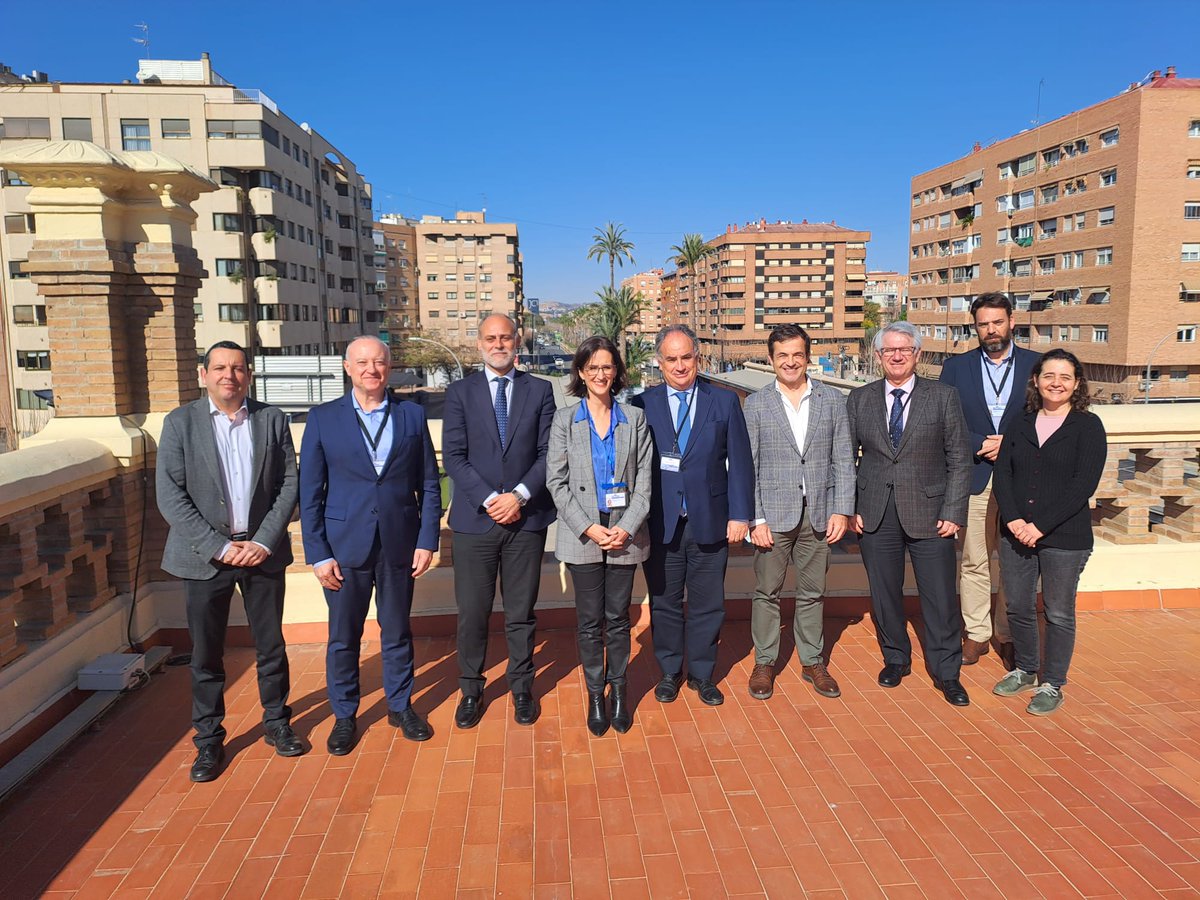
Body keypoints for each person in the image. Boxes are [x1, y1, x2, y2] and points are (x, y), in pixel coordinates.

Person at [156, 341, 302, 782]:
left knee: (271, 646)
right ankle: (208, 741)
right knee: (206, 653)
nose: (229, 376)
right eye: (219, 368)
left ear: (249, 375)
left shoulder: (271, 419)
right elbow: (171, 496)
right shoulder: (180, 424)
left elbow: (288, 484)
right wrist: (219, 546)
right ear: (204, 375)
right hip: (205, 557)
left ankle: (277, 723)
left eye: (237, 368)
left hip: (261, 553)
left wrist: (262, 541)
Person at [299, 336, 441, 754]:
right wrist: (319, 553)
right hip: (344, 549)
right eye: (362, 362)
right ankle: (345, 714)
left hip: (399, 543)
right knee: (344, 637)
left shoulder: (412, 416)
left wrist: (426, 539)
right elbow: (310, 494)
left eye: (379, 362)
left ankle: (400, 705)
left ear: (389, 367)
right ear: (348, 368)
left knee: (397, 631)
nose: (371, 370)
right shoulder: (324, 418)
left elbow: (430, 485)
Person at [847, 322, 973, 706]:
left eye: (905, 349)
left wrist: (953, 510)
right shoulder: (860, 399)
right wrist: (852, 507)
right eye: (889, 350)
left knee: (939, 597)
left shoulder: (943, 397)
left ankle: (947, 672)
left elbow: (959, 458)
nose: (897, 356)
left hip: (932, 513)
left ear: (918, 354)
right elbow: (844, 458)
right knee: (884, 594)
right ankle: (895, 659)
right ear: (879, 356)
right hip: (876, 513)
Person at [442, 314, 557, 728]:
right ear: (479, 344)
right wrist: (493, 500)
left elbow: (548, 452)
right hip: (476, 522)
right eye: (490, 338)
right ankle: (471, 689)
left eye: (505, 337)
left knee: (521, 612)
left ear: (517, 342)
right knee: (472, 613)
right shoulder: (459, 393)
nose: (498, 344)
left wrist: (520, 496)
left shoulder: (540, 391)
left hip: (526, 521)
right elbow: (454, 456)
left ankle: (522, 687)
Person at [632, 324, 754, 707]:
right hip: (661, 522)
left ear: (697, 357)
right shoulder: (641, 405)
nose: (680, 365)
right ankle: (670, 671)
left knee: (708, 603)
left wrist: (740, 515)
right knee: (665, 602)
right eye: (672, 359)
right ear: (659, 362)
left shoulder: (725, 402)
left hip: (711, 521)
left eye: (687, 357)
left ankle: (702, 674)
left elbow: (741, 463)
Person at [547, 336, 653, 735]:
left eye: (607, 367)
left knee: (619, 619)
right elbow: (555, 482)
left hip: (625, 536)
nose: (600, 374)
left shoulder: (635, 419)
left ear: (617, 372)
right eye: (592, 367)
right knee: (590, 622)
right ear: (580, 372)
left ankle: (620, 690)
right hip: (583, 537)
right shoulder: (564, 421)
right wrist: (589, 527)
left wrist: (625, 527)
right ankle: (595, 694)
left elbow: (645, 483)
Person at [991, 349, 1106, 716]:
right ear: (1037, 381)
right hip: (1016, 533)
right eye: (1049, 376)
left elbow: (1082, 485)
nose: (1056, 383)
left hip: (1064, 538)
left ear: (1076, 384)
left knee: (1058, 612)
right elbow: (1003, 474)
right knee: (1019, 605)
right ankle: (1025, 668)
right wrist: (1013, 520)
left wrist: (1039, 526)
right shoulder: (1021, 423)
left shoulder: (1087, 427)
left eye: (1065, 377)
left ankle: (1052, 682)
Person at [744, 325, 855, 701]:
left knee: (813, 592)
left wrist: (842, 509)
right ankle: (764, 662)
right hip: (772, 518)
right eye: (782, 356)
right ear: (771, 359)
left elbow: (844, 459)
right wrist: (755, 519)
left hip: (820, 513)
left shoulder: (833, 400)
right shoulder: (756, 404)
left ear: (807, 356)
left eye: (797, 354)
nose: (790, 362)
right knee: (766, 592)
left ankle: (812, 660)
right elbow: (749, 467)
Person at [940, 292, 1040, 668]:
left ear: (1011, 322)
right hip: (976, 477)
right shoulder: (956, 368)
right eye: (983, 324)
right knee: (974, 560)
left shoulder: (1036, 364)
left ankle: (1009, 634)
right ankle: (978, 633)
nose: (991, 330)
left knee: (1016, 562)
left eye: (997, 322)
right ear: (975, 327)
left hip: (1021, 480)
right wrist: (980, 443)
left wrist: (1012, 444)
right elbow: (946, 424)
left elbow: (1048, 418)